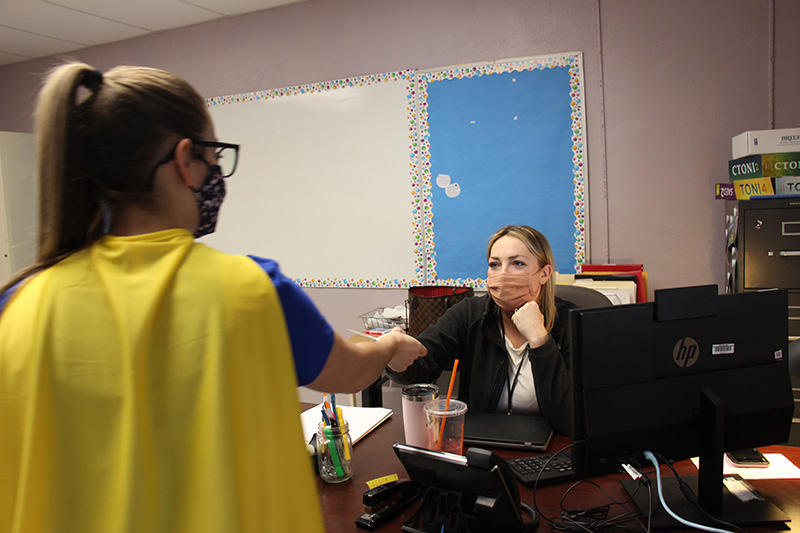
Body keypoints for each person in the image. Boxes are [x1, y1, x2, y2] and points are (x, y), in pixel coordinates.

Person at [0, 62, 425, 533]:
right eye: (214, 156)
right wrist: (391, 344)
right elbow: (348, 371)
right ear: (185, 159)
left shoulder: (17, 305)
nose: (216, 174)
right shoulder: (252, 288)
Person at [386, 225, 574, 435]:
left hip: (551, 450)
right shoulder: (471, 314)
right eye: (495, 264)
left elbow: (570, 420)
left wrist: (540, 340)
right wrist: (396, 360)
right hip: (483, 446)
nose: (503, 274)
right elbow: (421, 364)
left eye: (517, 263)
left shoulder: (571, 322)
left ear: (544, 274)